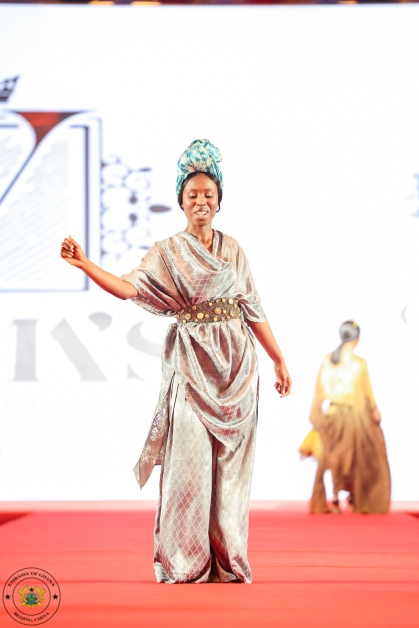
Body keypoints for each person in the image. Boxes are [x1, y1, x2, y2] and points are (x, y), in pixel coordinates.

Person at [60, 139, 291, 583]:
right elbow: (128, 288)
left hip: (237, 371)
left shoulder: (234, 250)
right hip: (190, 370)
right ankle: (185, 562)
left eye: (209, 194)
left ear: (219, 200)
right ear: (181, 201)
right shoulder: (167, 252)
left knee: (232, 476)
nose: (201, 201)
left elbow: (253, 307)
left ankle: (228, 562)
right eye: (192, 194)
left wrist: (278, 359)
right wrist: (87, 265)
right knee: (188, 468)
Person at [299, 321, 390, 514]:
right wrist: (375, 411)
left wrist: (319, 417)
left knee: (334, 456)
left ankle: (335, 495)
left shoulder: (328, 360)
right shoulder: (359, 364)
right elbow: (367, 393)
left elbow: (319, 391)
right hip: (355, 418)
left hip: (332, 416)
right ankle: (353, 494)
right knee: (359, 456)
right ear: (357, 339)